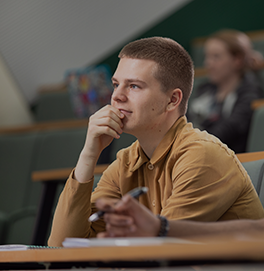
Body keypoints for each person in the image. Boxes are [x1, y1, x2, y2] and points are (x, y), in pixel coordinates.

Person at [48, 37, 264, 247]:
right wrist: (88, 155)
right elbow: (62, 246)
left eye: (134, 86)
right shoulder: (125, 163)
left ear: (173, 100)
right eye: (116, 84)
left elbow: (159, 252)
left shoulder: (202, 155)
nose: (117, 97)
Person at [188, 29, 264, 153]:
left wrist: (192, 144)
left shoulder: (249, 93)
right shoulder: (204, 90)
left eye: (216, 57)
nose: (208, 63)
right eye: (207, 56)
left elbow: (231, 129)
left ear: (237, 60)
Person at [95, 194, 264, 238]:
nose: (115, 102)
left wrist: (158, 229)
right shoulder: (125, 159)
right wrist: (158, 228)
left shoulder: (201, 154)